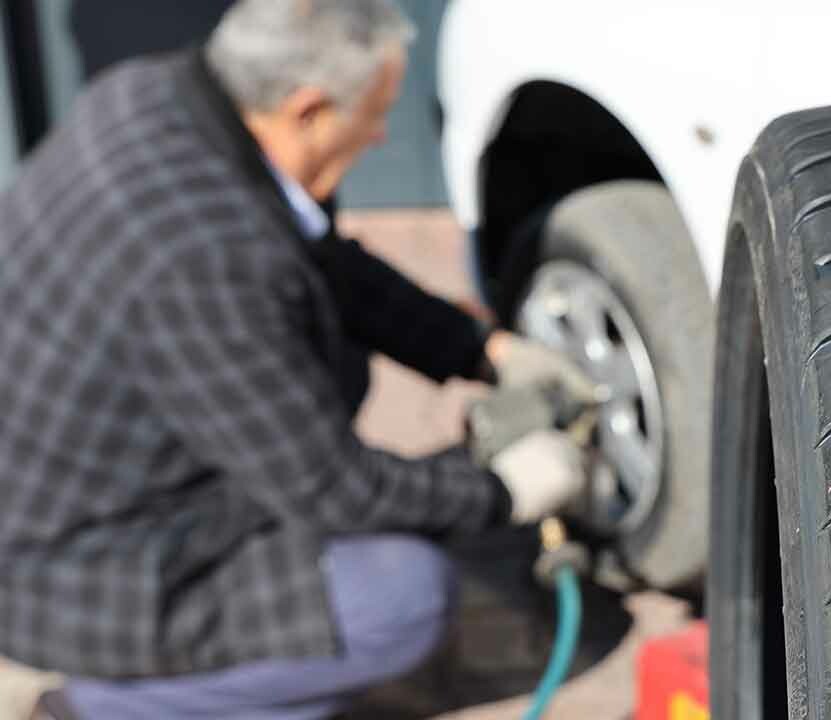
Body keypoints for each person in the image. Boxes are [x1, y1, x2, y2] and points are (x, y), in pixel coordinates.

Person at [0, 1, 592, 718]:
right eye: (374, 116)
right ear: (307, 110)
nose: (380, 136)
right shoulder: (208, 256)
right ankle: (113, 704)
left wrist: (483, 351)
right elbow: (337, 492)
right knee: (399, 599)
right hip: (75, 573)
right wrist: (500, 491)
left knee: (328, 350)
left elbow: (321, 259)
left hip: (73, 477)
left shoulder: (156, 98)